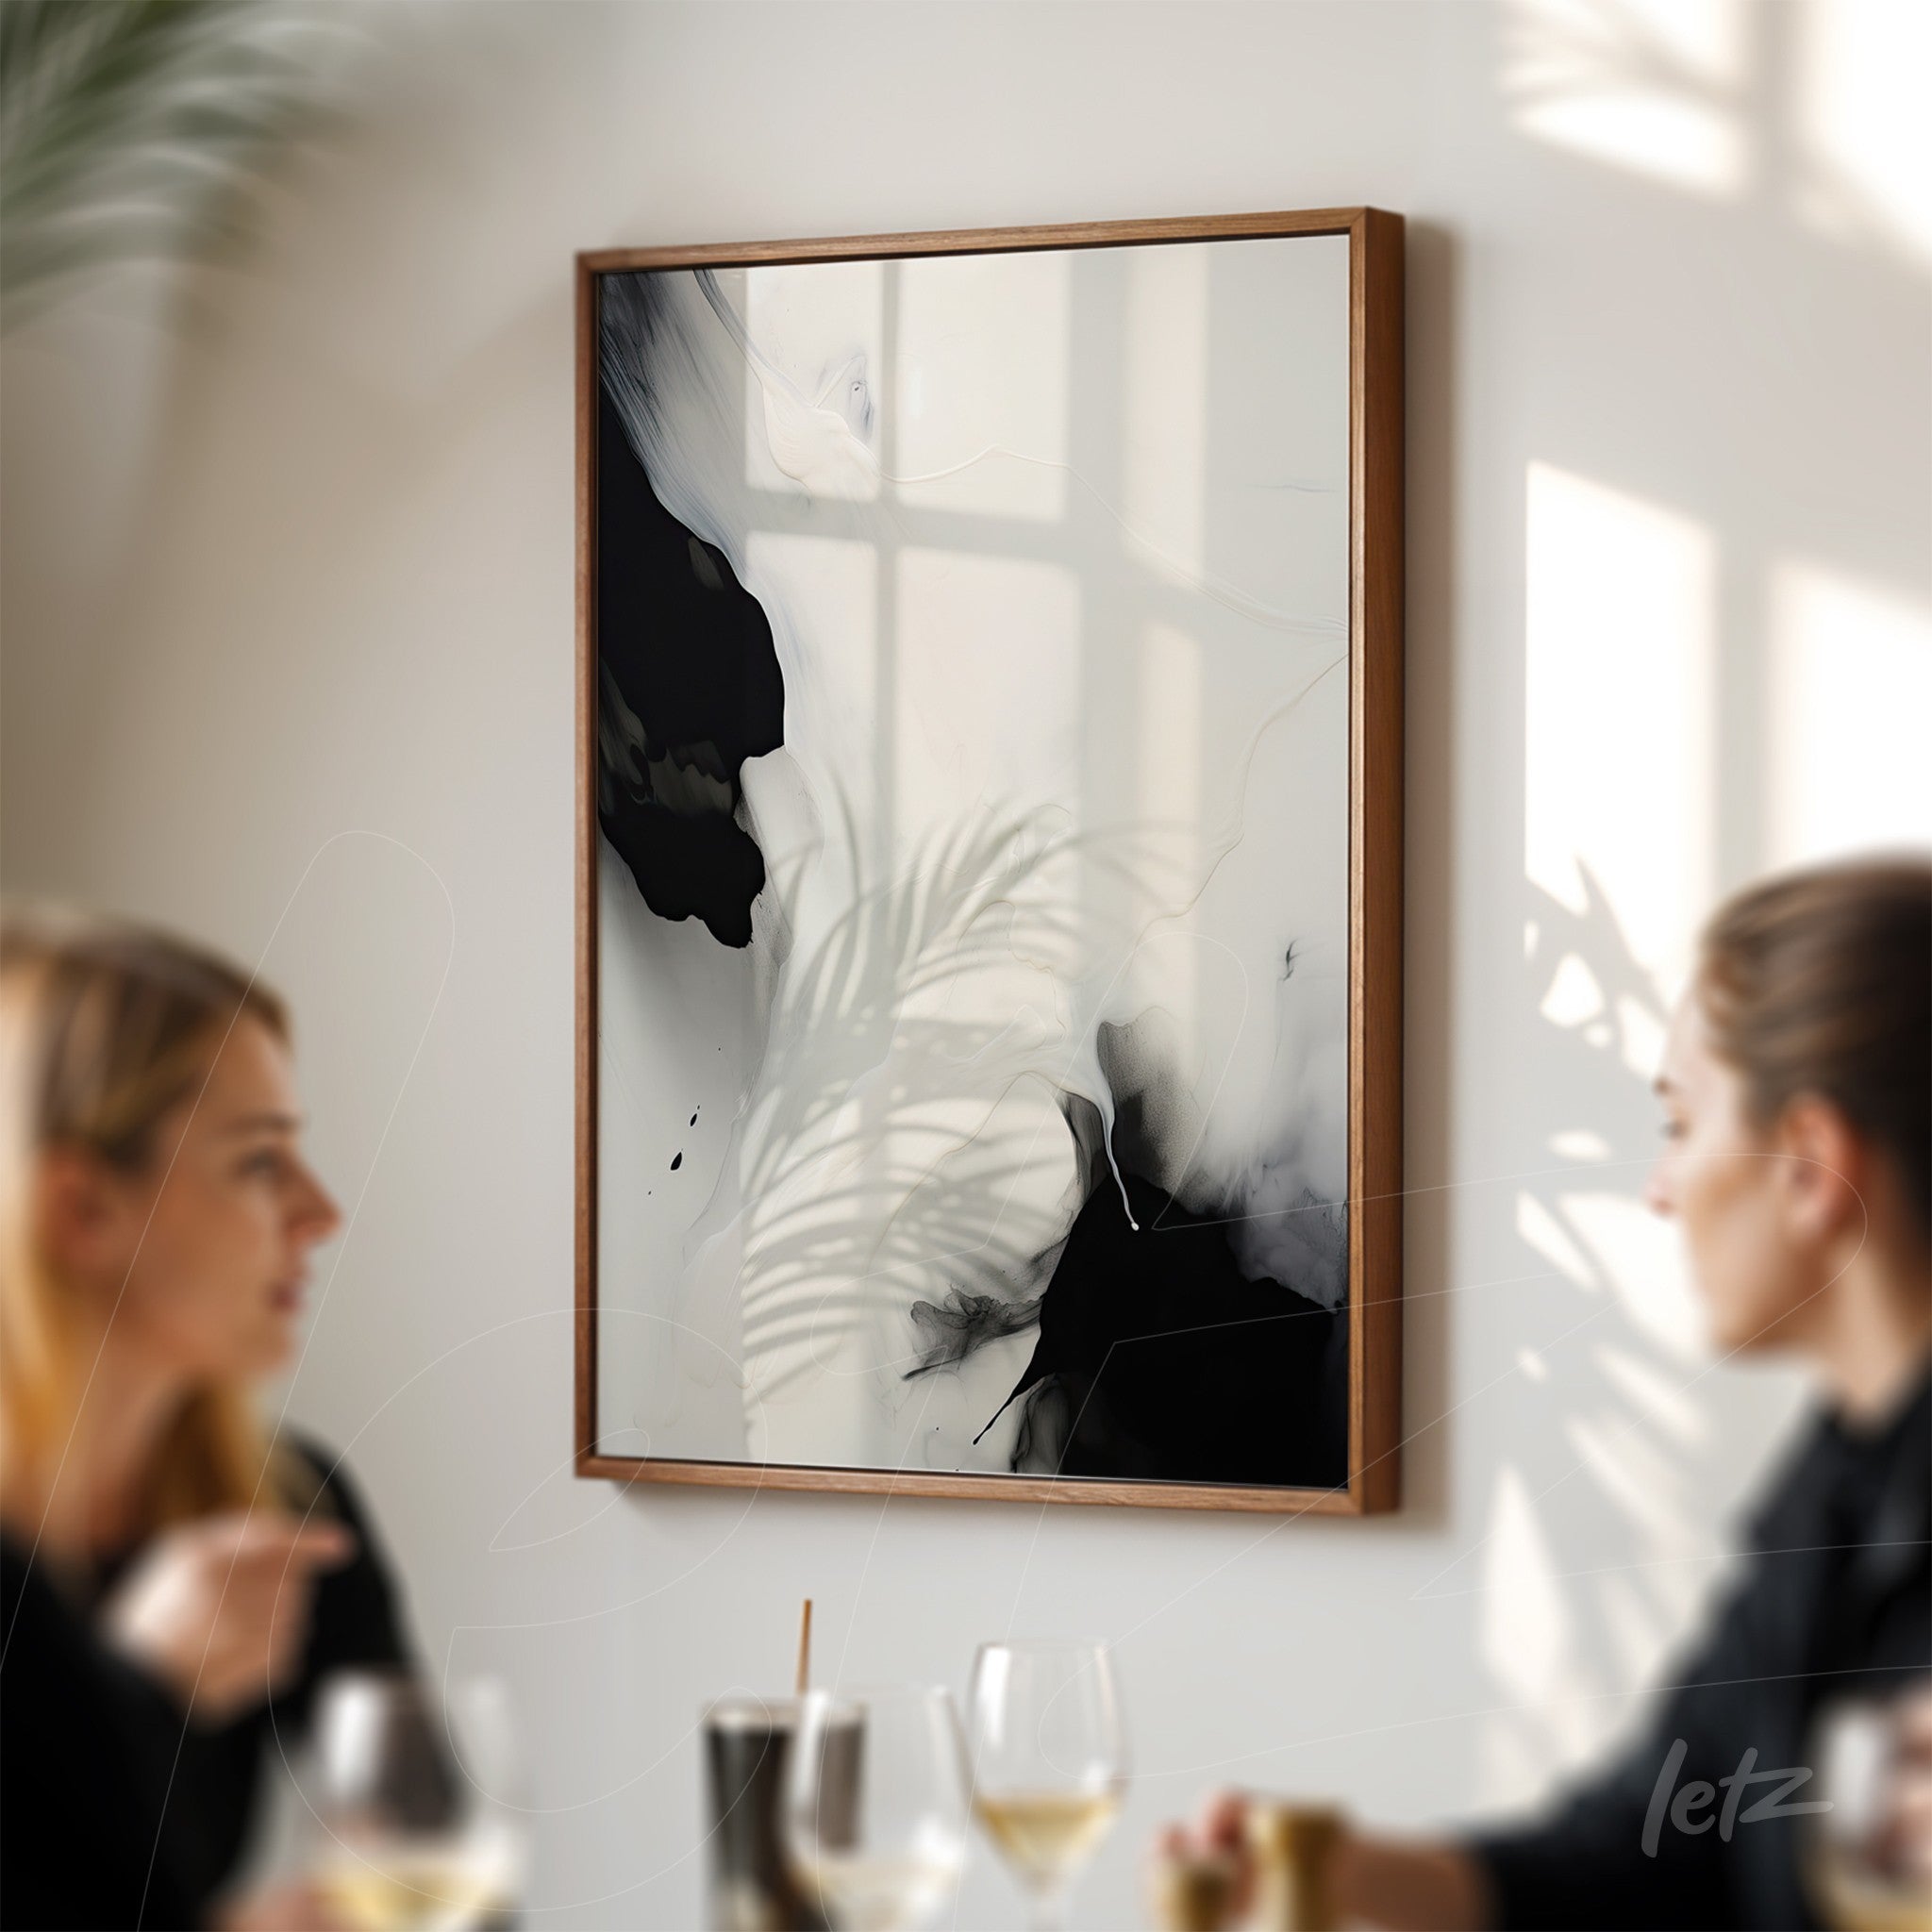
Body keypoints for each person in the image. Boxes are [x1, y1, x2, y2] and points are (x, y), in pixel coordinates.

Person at [1162, 854, 1932, 1929]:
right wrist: (1342, 1871)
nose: (1659, 1188)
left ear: (1808, 1164)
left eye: (1678, 1124)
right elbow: (1644, 1846)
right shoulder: (1834, 1490)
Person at [0, 905, 414, 1930]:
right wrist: (136, 1687)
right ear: (82, 1210)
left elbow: (431, 1852)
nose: (320, 1212)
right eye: (260, 1161)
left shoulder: (283, 1503)